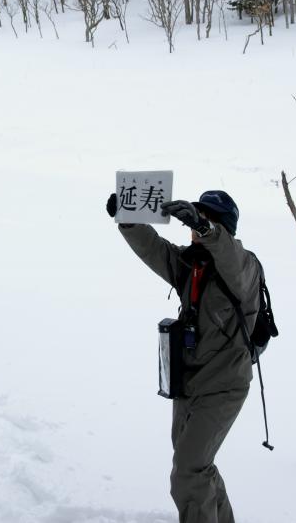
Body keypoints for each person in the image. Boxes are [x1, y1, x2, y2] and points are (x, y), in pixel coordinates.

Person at [107, 190, 260, 523]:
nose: (197, 225)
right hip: (189, 381)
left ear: (226, 228)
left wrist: (207, 229)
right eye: (196, 217)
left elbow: (231, 255)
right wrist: (129, 219)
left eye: (209, 218)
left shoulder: (243, 267)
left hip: (224, 386)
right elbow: (155, 249)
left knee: (188, 472)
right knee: (196, 464)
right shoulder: (192, 264)